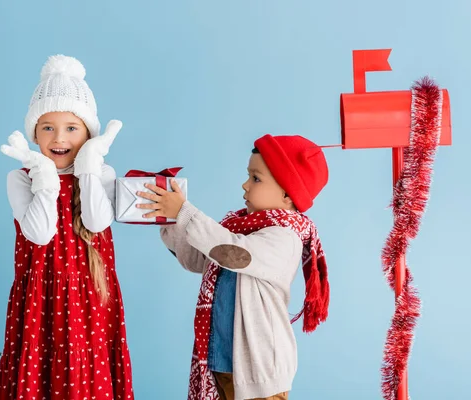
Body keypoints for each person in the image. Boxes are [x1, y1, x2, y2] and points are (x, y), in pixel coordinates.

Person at [137, 134, 330, 400]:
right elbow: (197, 257)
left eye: (256, 178)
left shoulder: (284, 238)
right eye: (248, 175)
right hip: (223, 362)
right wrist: (170, 219)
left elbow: (231, 252)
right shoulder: (239, 229)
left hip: (259, 372)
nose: (245, 185)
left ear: (287, 194)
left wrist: (184, 212)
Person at [0, 54, 133, 399]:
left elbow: (96, 221)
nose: (59, 138)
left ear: (88, 133)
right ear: (35, 134)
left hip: (91, 295)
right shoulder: (21, 179)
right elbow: (40, 233)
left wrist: (87, 168)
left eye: (72, 128)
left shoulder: (101, 175)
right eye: (48, 128)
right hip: (40, 300)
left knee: (89, 374)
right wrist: (44, 176)